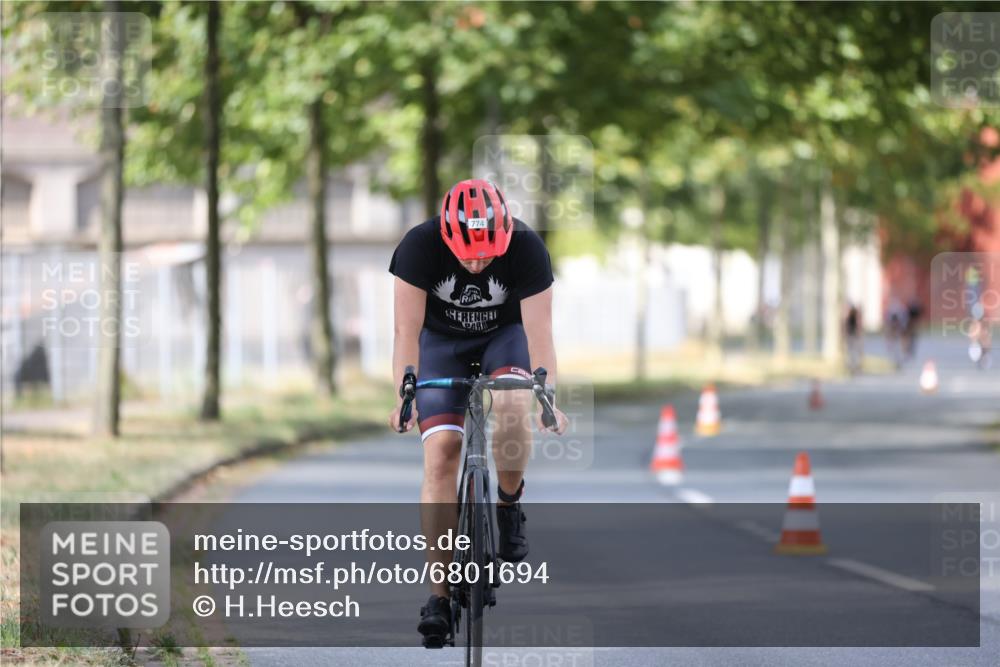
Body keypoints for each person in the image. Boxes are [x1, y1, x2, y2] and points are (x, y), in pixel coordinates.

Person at [387, 179, 569, 646]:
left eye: (487, 253)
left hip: (504, 339)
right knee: (442, 453)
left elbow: (539, 332)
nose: (475, 263)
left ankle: (508, 505)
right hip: (440, 345)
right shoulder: (418, 247)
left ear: (506, 234)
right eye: (466, 254)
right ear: (445, 237)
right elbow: (406, 333)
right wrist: (405, 392)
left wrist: (546, 394)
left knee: (512, 405)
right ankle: (440, 597)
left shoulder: (528, 247)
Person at [844, 303, 863, 374]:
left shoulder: (853, 319)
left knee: (854, 353)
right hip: (851, 337)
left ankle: (855, 368)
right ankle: (853, 368)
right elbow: (847, 329)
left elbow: (858, 329)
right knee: (852, 353)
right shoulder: (849, 319)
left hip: (853, 338)